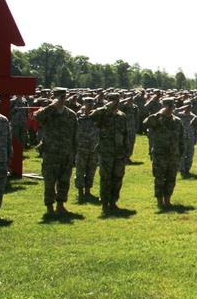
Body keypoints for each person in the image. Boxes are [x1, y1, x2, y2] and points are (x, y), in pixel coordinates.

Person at [33, 87, 79, 215]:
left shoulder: (71, 114)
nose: (63, 99)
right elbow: (37, 117)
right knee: (50, 181)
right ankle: (49, 207)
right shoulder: (48, 112)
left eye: (64, 97)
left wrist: (74, 153)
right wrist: (53, 106)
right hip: (51, 153)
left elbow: (75, 135)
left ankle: (60, 205)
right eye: (61, 97)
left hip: (66, 152)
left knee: (64, 181)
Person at [90, 92, 131, 212]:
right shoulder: (103, 114)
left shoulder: (121, 116)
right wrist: (107, 107)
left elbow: (125, 133)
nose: (116, 103)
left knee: (117, 177)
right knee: (106, 177)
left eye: (117, 101)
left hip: (119, 151)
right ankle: (105, 202)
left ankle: (113, 201)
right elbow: (92, 116)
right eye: (113, 100)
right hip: (106, 151)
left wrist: (127, 150)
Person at [143, 96, 186, 209]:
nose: (170, 108)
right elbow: (146, 122)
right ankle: (159, 200)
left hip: (173, 154)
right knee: (159, 178)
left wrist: (180, 153)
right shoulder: (157, 120)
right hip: (160, 154)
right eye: (167, 106)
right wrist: (159, 113)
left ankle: (167, 199)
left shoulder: (177, 121)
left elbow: (181, 138)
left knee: (171, 178)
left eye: (171, 106)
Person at [75, 96, 100, 200]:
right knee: (80, 169)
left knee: (91, 169)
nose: (90, 107)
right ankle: (80, 191)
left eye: (92, 105)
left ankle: (88, 190)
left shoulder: (96, 116)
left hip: (94, 147)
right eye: (88, 105)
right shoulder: (78, 116)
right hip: (82, 146)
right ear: (84, 105)